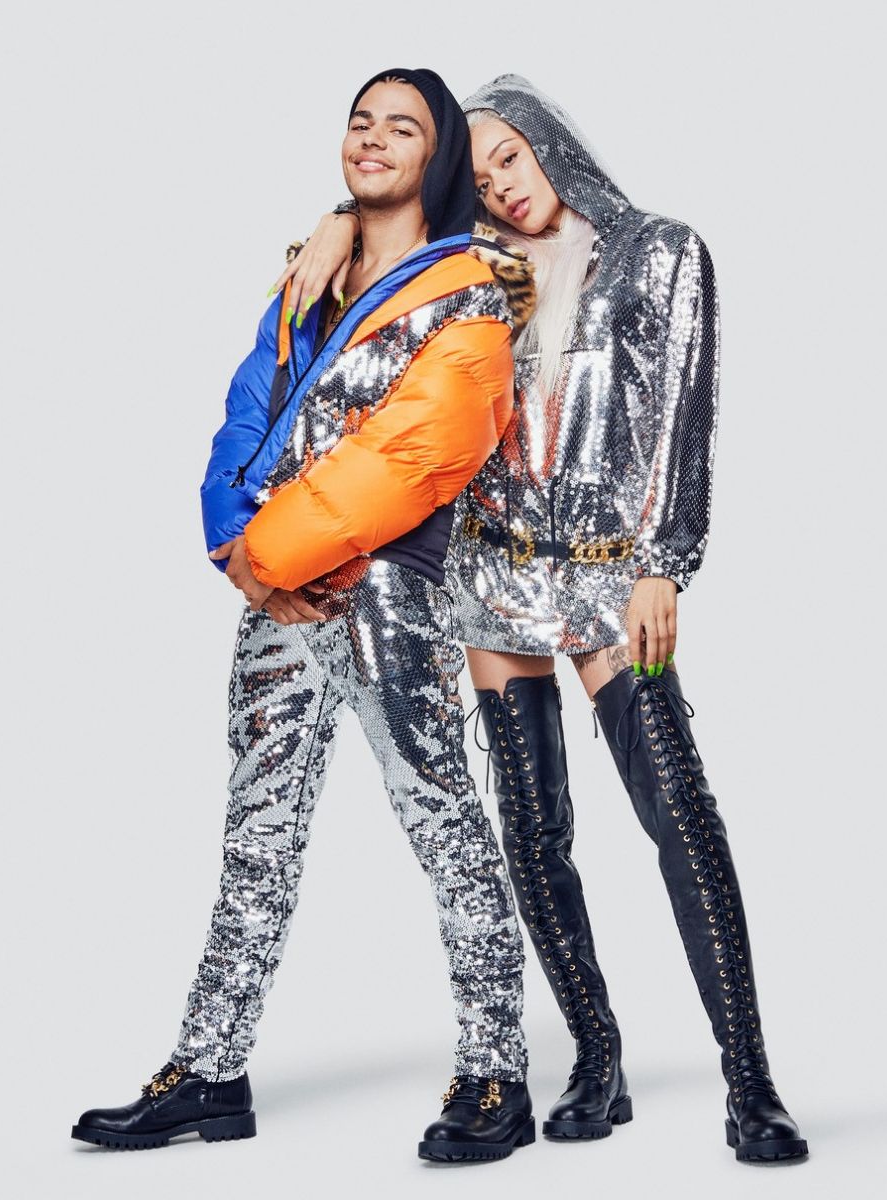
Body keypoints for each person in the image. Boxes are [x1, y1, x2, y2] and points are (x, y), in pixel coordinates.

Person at [276, 73, 808, 1164]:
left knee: (679, 817)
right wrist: (334, 223)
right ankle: (596, 1058)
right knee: (532, 831)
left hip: (614, 580)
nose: (502, 189)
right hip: (493, 577)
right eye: (476, 179)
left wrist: (666, 563)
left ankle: (750, 1082)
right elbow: (388, 261)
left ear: (547, 140)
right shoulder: (472, 272)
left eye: (509, 159)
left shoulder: (659, 253)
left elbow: (685, 419)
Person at [71, 68, 540, 1164]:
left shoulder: (470, 298)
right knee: (256, 838)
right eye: (359, 121)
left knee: (445, 827)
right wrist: (235, 549)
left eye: (401, 128)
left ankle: (496, 1073)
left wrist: (268, 554)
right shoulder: (311, 277)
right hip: (276, 599)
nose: (371, 139)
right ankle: (209, 1071)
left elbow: (414, 453)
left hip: (387, 598)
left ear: (438, 157)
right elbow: (249, 405)